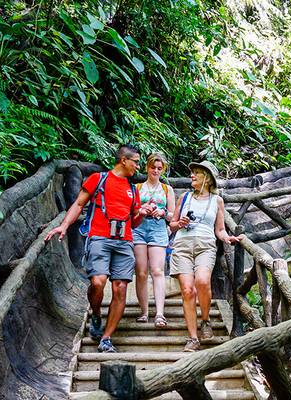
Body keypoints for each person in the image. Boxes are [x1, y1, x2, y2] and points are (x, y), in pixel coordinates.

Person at [45, 144, 153, 353]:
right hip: (100, 238)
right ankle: (96, 314)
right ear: (123, 160)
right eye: (136, 162)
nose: (138, 167)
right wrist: (64, 226)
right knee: (98, 281)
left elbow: (135, 222)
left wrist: (142, 213)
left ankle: (106, 337)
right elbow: (78, 204)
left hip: (124, 241)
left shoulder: (132, 189)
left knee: (120, 287)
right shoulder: (99, 179)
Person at [168, 160, 243, 352]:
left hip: (205, 245)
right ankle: (193, 338)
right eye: (192, 173)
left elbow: (219, 229)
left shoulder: (217, 201)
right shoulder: (184, 197)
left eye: (197, 173)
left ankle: (206, 319)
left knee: (202, 281)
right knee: (187, 290)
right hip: (182, 245)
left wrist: (228, 238)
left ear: (207, 178)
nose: (192, 176)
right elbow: (172, 225)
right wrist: (180, 223)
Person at [132, 153, 175, 328]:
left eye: (159, 168)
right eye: (153, 167)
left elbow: (173, 215)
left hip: (158, 229)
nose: (156, 171)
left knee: (157, 270)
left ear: (162, 169)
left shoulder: (167, 189)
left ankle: (159, 313)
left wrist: (163, 212)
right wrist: (143, 209)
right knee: (141, 272)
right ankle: (144, 311)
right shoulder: (137, 187)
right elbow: (131, 212)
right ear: (147, 167)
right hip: (139, 228)